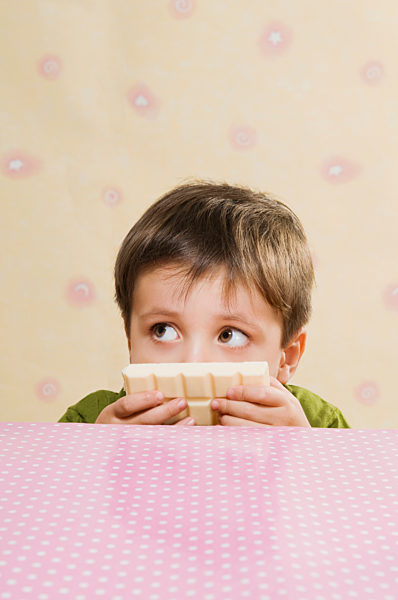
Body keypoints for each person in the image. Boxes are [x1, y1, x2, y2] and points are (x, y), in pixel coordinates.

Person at [59, 180, 349, 427]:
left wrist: (304, 452)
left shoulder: (318, 424)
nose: (193, 361)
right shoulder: (92, 420)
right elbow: (41, 490)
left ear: (287, 357)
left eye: (229, 335)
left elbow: (369, 491)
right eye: (163, 330)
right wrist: (96, 452)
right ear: (129, 338)